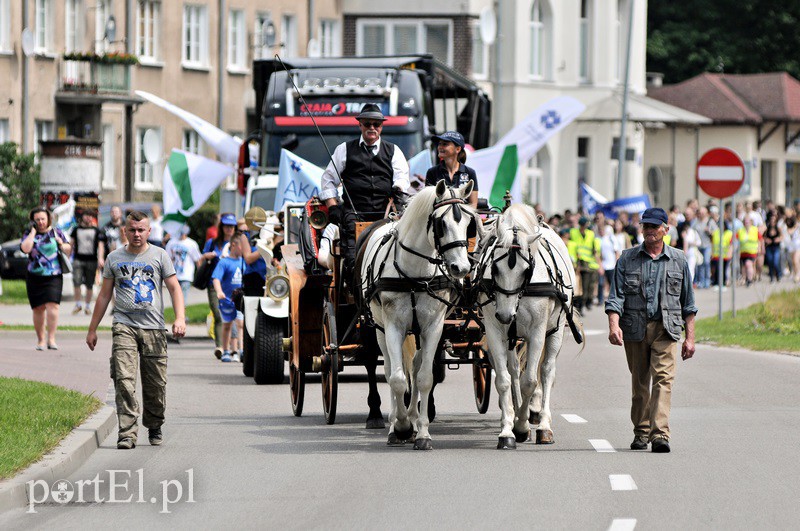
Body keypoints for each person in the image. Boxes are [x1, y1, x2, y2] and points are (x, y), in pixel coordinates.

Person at [86, 210, 186, 450]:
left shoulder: (160, 255)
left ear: (149, 231)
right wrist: (92, 329)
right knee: (124, 379)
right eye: (132, 230)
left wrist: (180, 318)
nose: (137, 234)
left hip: (154, 328)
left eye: (141, 230)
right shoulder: (114, 258)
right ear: (125, 231)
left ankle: (154, 424)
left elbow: (174, 288)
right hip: (124, 325)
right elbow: (104, 295)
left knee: (155, 385)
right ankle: (127, 433)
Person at [605, 207, 697, 454]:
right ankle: (641, 431)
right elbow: (616, 297)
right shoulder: (627, 258)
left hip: (666, 329)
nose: (649, 232)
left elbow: (688, 304)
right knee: (640, 384)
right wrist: (614, 325)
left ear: (666, 230)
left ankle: (660, 434)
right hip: (635, 329)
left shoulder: (678, 259)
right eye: (646, 227)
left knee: (663, 380)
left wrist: (690, 338)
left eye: (654, 227)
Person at [319, 103, 410, 281]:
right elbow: (328, 180)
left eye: (376, 124)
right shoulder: (344, 150)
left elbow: (402, 179)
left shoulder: (393, 151)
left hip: (384, 214)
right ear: (360, 124)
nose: (372, 128)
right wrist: (333, 207)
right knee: (354, 260)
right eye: (367, 124)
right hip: (354, 214)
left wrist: (397, 192)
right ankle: (356, 291)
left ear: (381, 127)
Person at [20, 207, 72, 350]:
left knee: (53, 306)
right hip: (34, 276)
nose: (41, 222)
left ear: (48, 219)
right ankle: (41, 340)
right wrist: (32, 232)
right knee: (38, 308)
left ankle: (51, 338)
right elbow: (25, 249)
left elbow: (68, 249)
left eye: (43, 219)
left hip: (53, 276)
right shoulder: (29, 233)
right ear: (33, 221)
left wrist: (61, 243)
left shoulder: (56, 232)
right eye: (37, 220)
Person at [201, 213, 237, 358]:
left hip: (232, 284)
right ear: (221, 227)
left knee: (233, 317)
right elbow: (202, 258)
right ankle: (220, 347)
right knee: (218, 314)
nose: (229, 229)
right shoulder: (213, 243)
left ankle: (232, 347)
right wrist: (208, 256)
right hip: (213, 284)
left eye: (231, 226)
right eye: (226, 226)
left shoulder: (238, 243)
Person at [211, 233, 245, 363]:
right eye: (242, 246)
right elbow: (216, 278)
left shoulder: (244, 262)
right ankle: (226, 350)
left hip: (240, 299)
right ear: (234, 245)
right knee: (227, 325)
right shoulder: (224, 262)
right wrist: (219, 292)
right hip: (227, 300)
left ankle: (242, 350)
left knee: (241, 324)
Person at [424, 131, 479, 208]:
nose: (440, 147)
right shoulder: (432, 172)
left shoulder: (470, 172)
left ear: (458, 149)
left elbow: (473, 204)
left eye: (445, 144)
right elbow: (428, 203)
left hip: (464, 217)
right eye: (439, 144)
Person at [70, 210, 106, 315]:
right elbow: (71, 244)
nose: (88, 218)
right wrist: (67, 256)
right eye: (87, 215)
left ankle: (87, 306)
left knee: (89, 284)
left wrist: (100, 258)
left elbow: (100, 246)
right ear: (82, 217)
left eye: (90, 216)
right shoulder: (76, 229)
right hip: (78, 259)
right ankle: (78, 304)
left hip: (92, 260)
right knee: (76, 281)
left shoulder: (97, 230)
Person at [570, 217, 602, 312]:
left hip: (588, 263)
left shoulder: (591, 234)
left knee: (588, 285)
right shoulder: (573, 232)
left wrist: (598, 263)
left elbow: (594, 250)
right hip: (577, 262)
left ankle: (585, 302)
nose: (585, 227)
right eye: (583, 225)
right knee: (580, 285)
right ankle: (580, 304)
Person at [165, 224, 202, 301]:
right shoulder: (171, 243)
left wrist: (200, 274)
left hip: (186, 276)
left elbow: (197, 259)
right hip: (173, 275)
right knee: (174, 299)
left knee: (182, 299)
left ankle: (181, 313)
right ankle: (178, 312)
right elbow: (167, 260)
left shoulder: (191, 243)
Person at [737, 215, 759, 286]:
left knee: (748, 264)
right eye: (745, 222)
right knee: (743, 267)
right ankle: (745, 278)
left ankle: (749, 280)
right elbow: (735, 239)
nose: (746, 223)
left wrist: (760, 248)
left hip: (752, 252)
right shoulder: (741, 230)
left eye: (748, 222)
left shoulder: (755, 230)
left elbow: (760, 239)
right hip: (743, 252)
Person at [763, 212, 783, 282]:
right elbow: (764, 237)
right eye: (771, 220)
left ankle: (778, 274)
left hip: (776, 247)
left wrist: (778, 239)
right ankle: (771, 276)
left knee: (775, 262)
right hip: (769, 247)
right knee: (770, 261)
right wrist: (766, 240)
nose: (772, 221)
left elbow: (781, 236)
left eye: (773, 220)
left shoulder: (778, 228)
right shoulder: (767, 228)